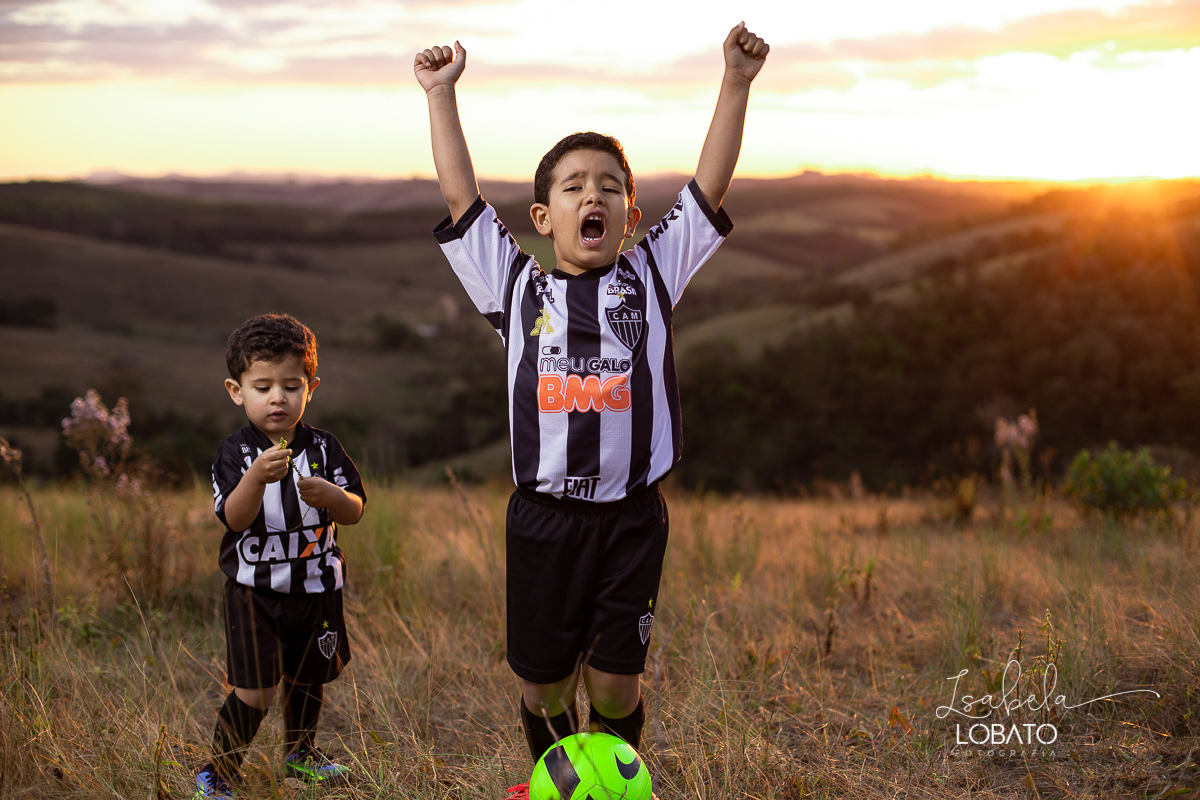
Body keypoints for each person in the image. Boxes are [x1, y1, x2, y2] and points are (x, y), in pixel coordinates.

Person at [415, 21, 768, 796]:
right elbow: (460, 198)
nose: (593, 194)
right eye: (573, 186)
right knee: (544, 688)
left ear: (631, 218)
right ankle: (552, 780)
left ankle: (609, 782)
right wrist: (440, 94)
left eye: (610, 186)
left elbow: (708, 188)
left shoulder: (652, 276)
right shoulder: (516, 287)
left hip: (631, 519)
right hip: (543, 521)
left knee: (612, 686)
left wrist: (736, 81)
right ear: (543, 218)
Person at [195, 313, 367, 799]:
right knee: (255, 689)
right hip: (256, 593)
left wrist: (333, 496)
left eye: (291, 386)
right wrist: (255, 478)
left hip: (317, 587)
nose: (278, 398)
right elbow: (233, 518)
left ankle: (301, 754)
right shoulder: (235, 453)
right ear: (237, 391)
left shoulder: (324, 447)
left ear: (311, 387)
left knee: (309, 676)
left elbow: (355, 510)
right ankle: (218, 772)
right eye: (263, 387)